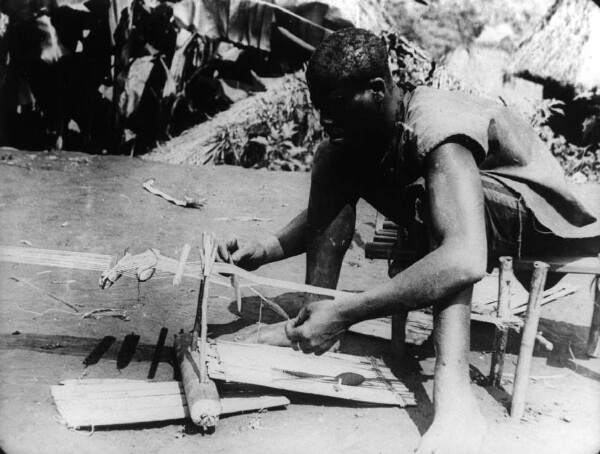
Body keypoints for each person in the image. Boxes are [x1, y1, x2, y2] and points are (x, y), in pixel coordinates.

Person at [217, 28, 600, 454]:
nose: (325, 119)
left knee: (433, 203)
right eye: (320, 108)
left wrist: (349, 312)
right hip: (472, 208)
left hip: (537, 220)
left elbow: (465, 258)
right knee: (335, 155)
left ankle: (454, 397)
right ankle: (313, 316)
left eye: (336, 107)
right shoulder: (382, 125)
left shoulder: (437, 131)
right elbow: (338, 196)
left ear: (377, 89)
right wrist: (269, 248)